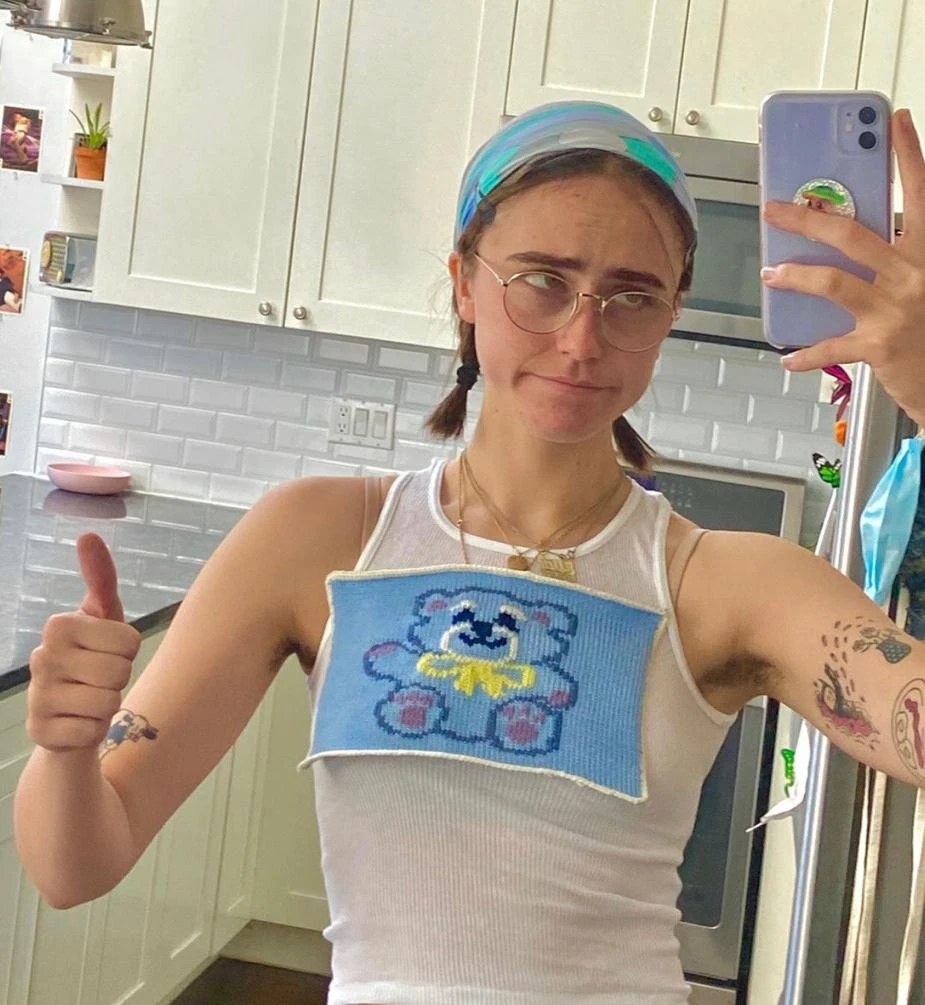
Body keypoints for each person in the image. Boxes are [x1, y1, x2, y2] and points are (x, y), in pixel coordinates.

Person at [13, 100, 925, 1004]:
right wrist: (63, 749)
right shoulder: (317, 540)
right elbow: (74, 866)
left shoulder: (729, 586)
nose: (581, 338)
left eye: (631, 297)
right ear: (463, 283)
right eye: (541, 281)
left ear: (670, 311)